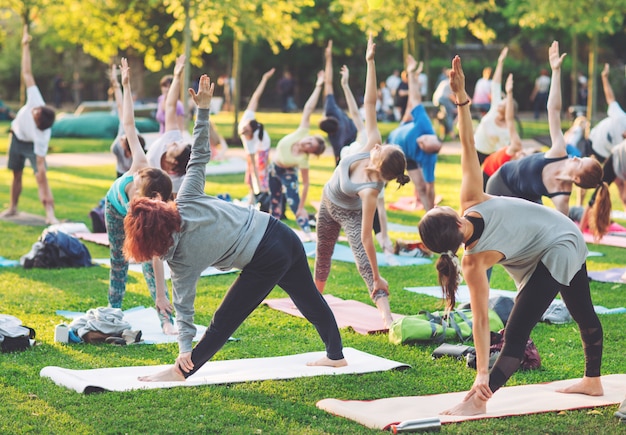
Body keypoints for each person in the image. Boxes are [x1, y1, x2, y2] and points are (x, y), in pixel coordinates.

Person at [121, 73, 346, 382]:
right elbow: (199, 155)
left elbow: (185, 312)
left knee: (225, 319)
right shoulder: (185, 198)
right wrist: (202, 110)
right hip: (280, 232)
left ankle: (180, 372)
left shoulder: (180, 262)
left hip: (266, 254)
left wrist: (185, 349)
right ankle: (336, 356)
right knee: (308, 298)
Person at [418, 49, 604, 416]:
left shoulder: (470, 249)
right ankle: (592, 381)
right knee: (578, 310)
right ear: (455, 222)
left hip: (561, 239)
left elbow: (468, 143)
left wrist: (461, 100)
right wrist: (461, 100)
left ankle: (478, 403)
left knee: (519, 330)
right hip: (553, 241)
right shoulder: (471, 226)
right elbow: (482, 319)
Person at [315, 36, 409, 329]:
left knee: (365, 264)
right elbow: (370, 102)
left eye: (382, 148)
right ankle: (314, 300)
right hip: (327, 200)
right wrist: (370, 62)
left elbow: (367, 238)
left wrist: (379, 273)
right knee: (323, 250)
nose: (379, 144)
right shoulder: (371, 144)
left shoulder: (370, 192)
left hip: (349, 211)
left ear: (379, 163)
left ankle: (387, 316)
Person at [486, 43, 611, 241]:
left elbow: (560, 234)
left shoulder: (562, 198)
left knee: (522, 243)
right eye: (581, 158)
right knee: (489, 237)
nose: (575, 158)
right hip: (501, 183)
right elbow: (553, 109)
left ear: (576, 180)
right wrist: (556, 71)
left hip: (527, 200)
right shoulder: (559, 152)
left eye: (579, 162)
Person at [105, 58, 176, 335]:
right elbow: (129, 125)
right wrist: (124, 86)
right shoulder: (141, 164)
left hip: (134, 216)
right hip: (113, 208)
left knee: (147, 261)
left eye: (139, 181)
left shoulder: (147, 211)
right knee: (118, 259)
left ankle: (165, 319)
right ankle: (113, 311)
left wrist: (161, 295)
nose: (134, 176)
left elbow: (156, 257)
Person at [1, 25, 58, 225]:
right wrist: (25, 45)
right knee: (16, 174)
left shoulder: (42, 137)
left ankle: (50, 213)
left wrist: (40, 178)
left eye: (35, 114)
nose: (33, 110)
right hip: (16, 136)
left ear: (39, 123)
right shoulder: (37, 100)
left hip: (30, 146)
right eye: (35, 109)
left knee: (41, 178)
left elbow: (40, 170)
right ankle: (12, 207)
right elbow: (27, 72)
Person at [269, 71, 326, 239]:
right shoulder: (302, 132)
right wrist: (318, 85)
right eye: (309, 140)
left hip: (288, 173)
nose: (306, 143)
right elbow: (308, 108)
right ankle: (272, 235)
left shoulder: (303, 160)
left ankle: (307, 232)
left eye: (310, 146)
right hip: (274, 168)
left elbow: (306, 184)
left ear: (310, 152)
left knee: (294, 204)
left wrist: (302, 206)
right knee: (274, 204)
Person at [387, 56, 442, 211]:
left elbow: (430, 186)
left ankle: (429, 216)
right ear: (429, 135)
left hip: (408, 156)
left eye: (422, 145)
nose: (420, 141)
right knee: (382, 177)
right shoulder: (425, 125)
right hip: (392, 144)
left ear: (426, 151)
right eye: (423, 139)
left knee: (422, 188)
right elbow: (415, 98)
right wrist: (411, 74)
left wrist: (432, 210)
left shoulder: (429, 159)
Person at [146, 55, 192, 197]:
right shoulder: (173, 136)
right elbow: (170, 106)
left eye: (177, 147)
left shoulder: (176, 181)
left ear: (174, 162)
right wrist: (177, 77)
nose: (175, 143)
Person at [481, 73, 535, 188]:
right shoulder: (516, 147)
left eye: (524, 154)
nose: (522, 151)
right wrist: (509, 93)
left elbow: (509, 119)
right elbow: (510, 119)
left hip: (490, 169)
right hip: (488, 166)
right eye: (525, 151)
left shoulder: (515, 148)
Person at [238, 68, 275, 205]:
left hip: (263, 147)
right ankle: (252, 195)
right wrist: (264, 79)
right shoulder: (247, 118)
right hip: (256, 147)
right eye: (244, 127)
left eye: (246, 130)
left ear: (250, 133)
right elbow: (256, 97)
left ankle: (264, 193)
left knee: (262, 169)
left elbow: (257, 165)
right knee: (250, 172)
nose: (243, 129)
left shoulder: (253, 141)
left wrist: (260, 185)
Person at [319, 40, 358, 166]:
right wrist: (329, 57)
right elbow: (328, 82)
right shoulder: (330, 109)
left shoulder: (335, 138)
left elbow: (338, 158)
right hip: (354, 132)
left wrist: (328, 57)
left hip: (352, 136)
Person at [109, 64, 146, 178]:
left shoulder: (139, 149)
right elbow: (121, 106)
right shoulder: (123, 134)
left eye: (123, 141)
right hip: (121, 172)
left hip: (135, 173)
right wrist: (116, 85)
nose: (121, 138)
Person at [473, 47, 509, 164]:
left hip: (491, 155)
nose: (499, 105)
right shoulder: (494, 109)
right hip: (477, 147)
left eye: (502, 105)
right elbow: (495, 85)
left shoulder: (508, 128)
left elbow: (505, 150)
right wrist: (500, 62)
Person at [585, 63, 626, 163]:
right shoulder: (621, 118)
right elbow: (610, 98)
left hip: (606, 155)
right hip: (593, 141)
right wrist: (604, 78)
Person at [432, 74, 457, 140]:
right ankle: (452, 134)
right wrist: (458, 103)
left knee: (443, 116)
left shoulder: (443, 82)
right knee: (450, 114)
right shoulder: (450, 83)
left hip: (436, 100)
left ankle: (440, 116)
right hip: (443, 99)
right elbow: (450, 95)